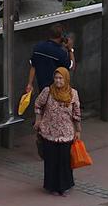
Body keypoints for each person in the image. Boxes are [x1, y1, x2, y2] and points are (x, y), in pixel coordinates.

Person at [34, 67, 81, 197]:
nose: (58, 81)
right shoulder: (47, 91)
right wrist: (38, 120)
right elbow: (38, 105)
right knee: (51, 160)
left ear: (66, 79)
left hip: (66, 133)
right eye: (56, 78)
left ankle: (64, 186)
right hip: (49, 132)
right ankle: (52, 186)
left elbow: (76, 113)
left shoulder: (73, 94)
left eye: (61, 78)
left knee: (64, 160)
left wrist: (78, 130)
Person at [25, 24, 74, 97]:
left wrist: (30, 84)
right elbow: (71, 67)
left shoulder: (38, 48)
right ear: (62, 37)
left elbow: (33, 66)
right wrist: (70, 49)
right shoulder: (60, 53)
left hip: (42, 89)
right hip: (57, 91)